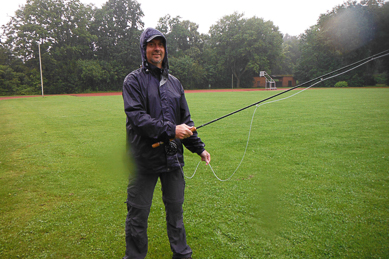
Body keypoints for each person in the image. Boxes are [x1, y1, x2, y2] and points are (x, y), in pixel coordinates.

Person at [122, 27, 211, 259]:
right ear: (144, 49)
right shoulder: (133, 81)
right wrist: (171, 129)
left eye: (160, 44)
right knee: (138, 215)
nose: (157, 48)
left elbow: (186, 121)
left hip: (172, 157)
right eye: (152, 44)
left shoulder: (175, 83)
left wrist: (199, 148)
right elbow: (138, 119)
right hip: (143, 160)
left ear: (165, 49)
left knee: (175, 211)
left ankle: (182, 254)